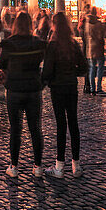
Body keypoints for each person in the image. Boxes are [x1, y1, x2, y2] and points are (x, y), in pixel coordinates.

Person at [0, 11, 47, 179]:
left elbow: (1, 63)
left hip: (15, 90)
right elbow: (41, 60)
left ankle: (14, 166)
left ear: (15, 25)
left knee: (15, 130)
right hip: (33, 89)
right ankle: (38, 166)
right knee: (35, 129)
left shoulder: (9, 44)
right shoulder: (38, 44)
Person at [41, 12, 88, 177]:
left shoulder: (52, 46)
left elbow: (46, 71)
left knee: (61, 125)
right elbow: (84, 67)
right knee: (73, 124)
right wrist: (72, 72)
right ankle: (77, 165)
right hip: (71, 87)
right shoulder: (73, 44)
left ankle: (59, 166)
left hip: (57, 88)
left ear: (54, 26)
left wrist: (46, 80)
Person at [83, 7, 106, 95]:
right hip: (98, 47)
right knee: (100, 67)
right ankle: (99, 87)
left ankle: (92, 88)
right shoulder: (98, 23)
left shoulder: (87, 23)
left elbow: (85, 35)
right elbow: (100, 36)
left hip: (90, 48)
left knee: (92, 68)